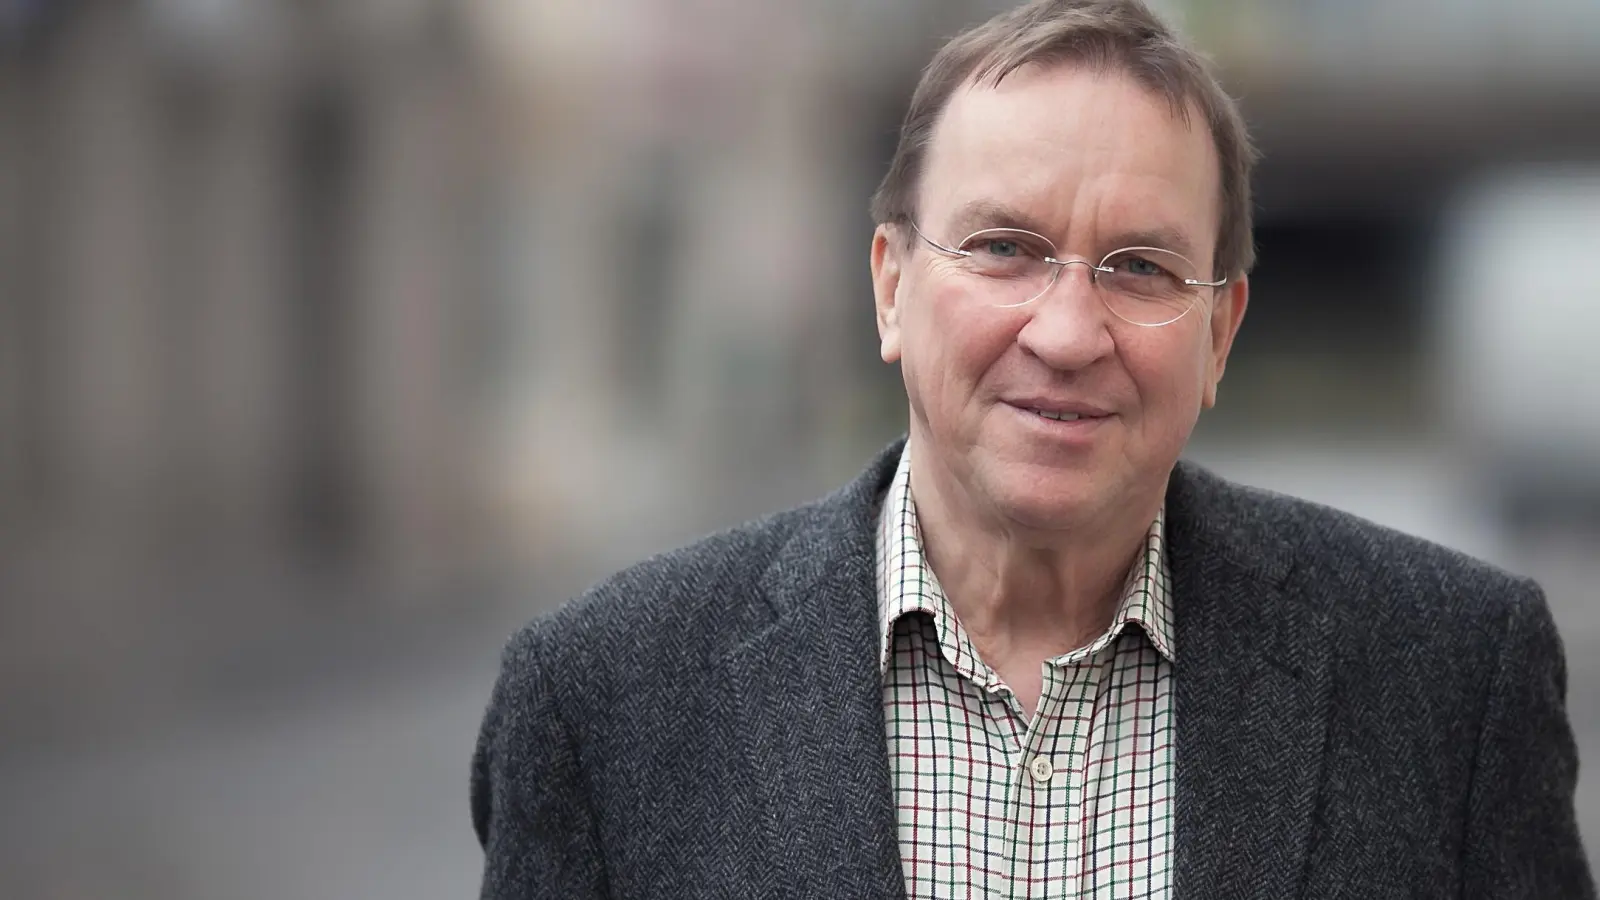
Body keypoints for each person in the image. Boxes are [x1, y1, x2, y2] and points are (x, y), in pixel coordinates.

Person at [471, 0, 1595, 896]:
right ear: (891, 286)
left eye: (1140, 268)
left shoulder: (1451, 679)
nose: (1064, 334)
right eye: (1005, 248)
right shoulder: (601, 701)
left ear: (1220, 332)